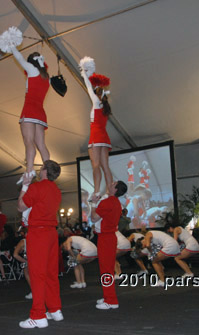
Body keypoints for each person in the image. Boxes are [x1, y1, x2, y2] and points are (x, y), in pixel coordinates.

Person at [17, 160, 62, 328]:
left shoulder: (36, 187)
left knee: (37, 274)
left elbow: (21, 206)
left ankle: (38, 315)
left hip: (38, 233)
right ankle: (55, 309)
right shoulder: (57, 191)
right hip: (51, 233)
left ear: (44, 170)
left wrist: (25, 186)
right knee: (51, 273)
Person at [9, 44, 51, 184]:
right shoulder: (46, 77)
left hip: (30, 110)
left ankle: (29, 170)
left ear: (31, 62)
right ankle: (49, 171)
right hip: (40, 112)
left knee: (28, 142)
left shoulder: (32, 70)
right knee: (41, 144)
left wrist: (12, 46)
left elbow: (20, 59)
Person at [79, 59, 113, 203]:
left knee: (95, 165)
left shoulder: (96, 102)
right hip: (104, 138)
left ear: (97, 94)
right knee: (105, 166)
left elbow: (87, 86)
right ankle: (109, 191)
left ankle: (97, 191)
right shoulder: (105, 106)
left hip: (96, 136)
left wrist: (84, 73)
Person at [91, 181, 128, 310]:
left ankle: (111, 300)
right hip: (109, 237)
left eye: (113, 184)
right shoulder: (116, 203)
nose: (110, 184)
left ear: (115, 189)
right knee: (108, 269)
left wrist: (94, 204)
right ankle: (108, 296)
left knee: (106, 270)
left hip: (106, 238)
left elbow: (94, 218)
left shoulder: (108, 202)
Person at [13, 232, 32, 300]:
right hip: (39, 259)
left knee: (27, 273)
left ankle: (34, 291)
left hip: (29, 259)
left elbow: (15, 255)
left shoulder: (23, 241)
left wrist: (25, 261)